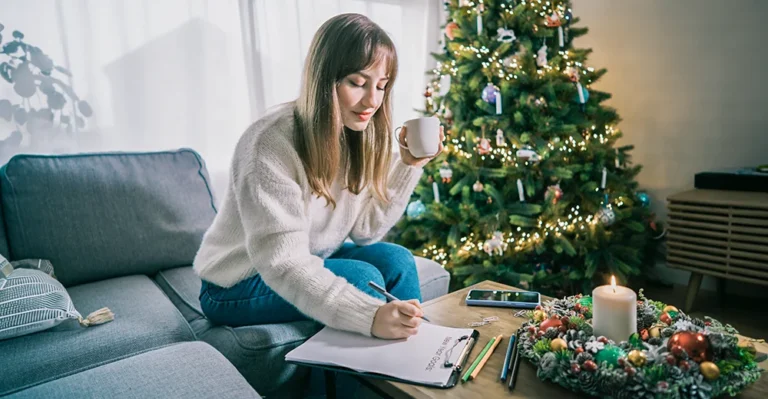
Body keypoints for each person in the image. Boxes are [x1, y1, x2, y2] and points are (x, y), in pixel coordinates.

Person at [194, 13, 444, 340]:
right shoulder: (269, 144)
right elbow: (283, 262)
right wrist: (369, 315)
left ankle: (414, 356)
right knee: (359, 276)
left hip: (309, 255)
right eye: (357, 82)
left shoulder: (359, 132)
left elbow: (366, 231)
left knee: (396, 259)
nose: (372, 101)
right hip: (236, 282)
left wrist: (409, 165)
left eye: (381, 86)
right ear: (324, 79)